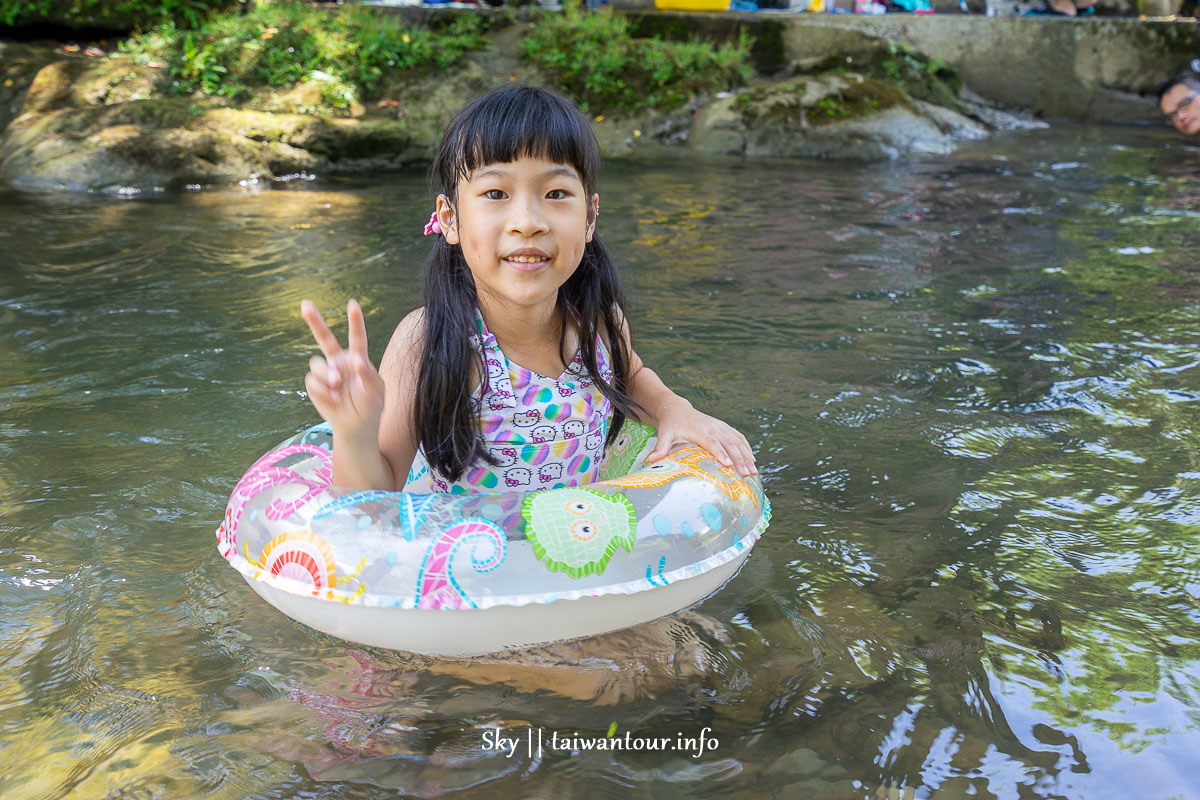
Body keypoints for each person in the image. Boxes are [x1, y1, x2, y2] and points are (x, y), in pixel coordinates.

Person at [299, 85, 757, 495]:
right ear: (449, 218)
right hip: (473, 570)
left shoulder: (597, 319)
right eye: (495, 194)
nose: (528, 222)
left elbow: (631, 374)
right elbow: (376, 494)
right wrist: (353, 433)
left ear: (591, 217)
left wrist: (675, 408)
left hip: (578, 551)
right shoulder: (428, 340)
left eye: (556, 194)